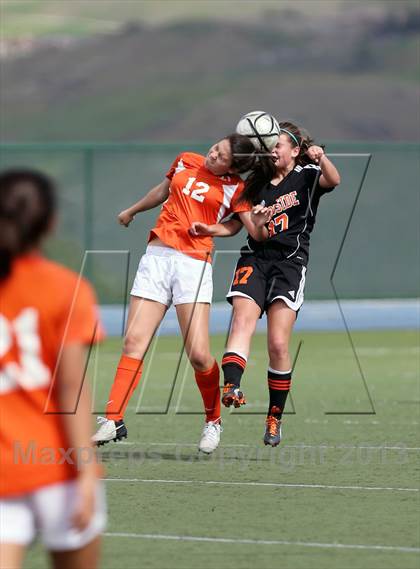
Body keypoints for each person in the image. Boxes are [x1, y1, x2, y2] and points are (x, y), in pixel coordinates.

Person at [92, 134, 269, 454]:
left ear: (232, 165)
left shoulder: (237, 189)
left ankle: (213, 420)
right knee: (133, 341)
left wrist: (216, 229)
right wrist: (132, 210)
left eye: (221, 155)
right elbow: (162, 192)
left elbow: (238, 227)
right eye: (215, 147)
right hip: (156, 259)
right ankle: (112, 418)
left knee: (199, 355)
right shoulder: (186, 159)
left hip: (193, 265)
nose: (213, 154)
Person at [191, 121, 341, 446]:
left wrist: (321, 157)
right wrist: (208, 230)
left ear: (294, 151)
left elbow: (334, 179)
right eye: (270, 144)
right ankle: (231, 385)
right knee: (242, 321)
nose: (273, 150)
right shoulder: (255, 182)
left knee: (278, 344)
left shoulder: (308, 176)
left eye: (279, 145)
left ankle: (274, 416)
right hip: (255, 259)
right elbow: (234, 225)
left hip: (290, 263)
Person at [0, 169, 106, 569]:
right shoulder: (64, 287)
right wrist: (85, 473)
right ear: (50, 223)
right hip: (56, 469)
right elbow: (71, 388)